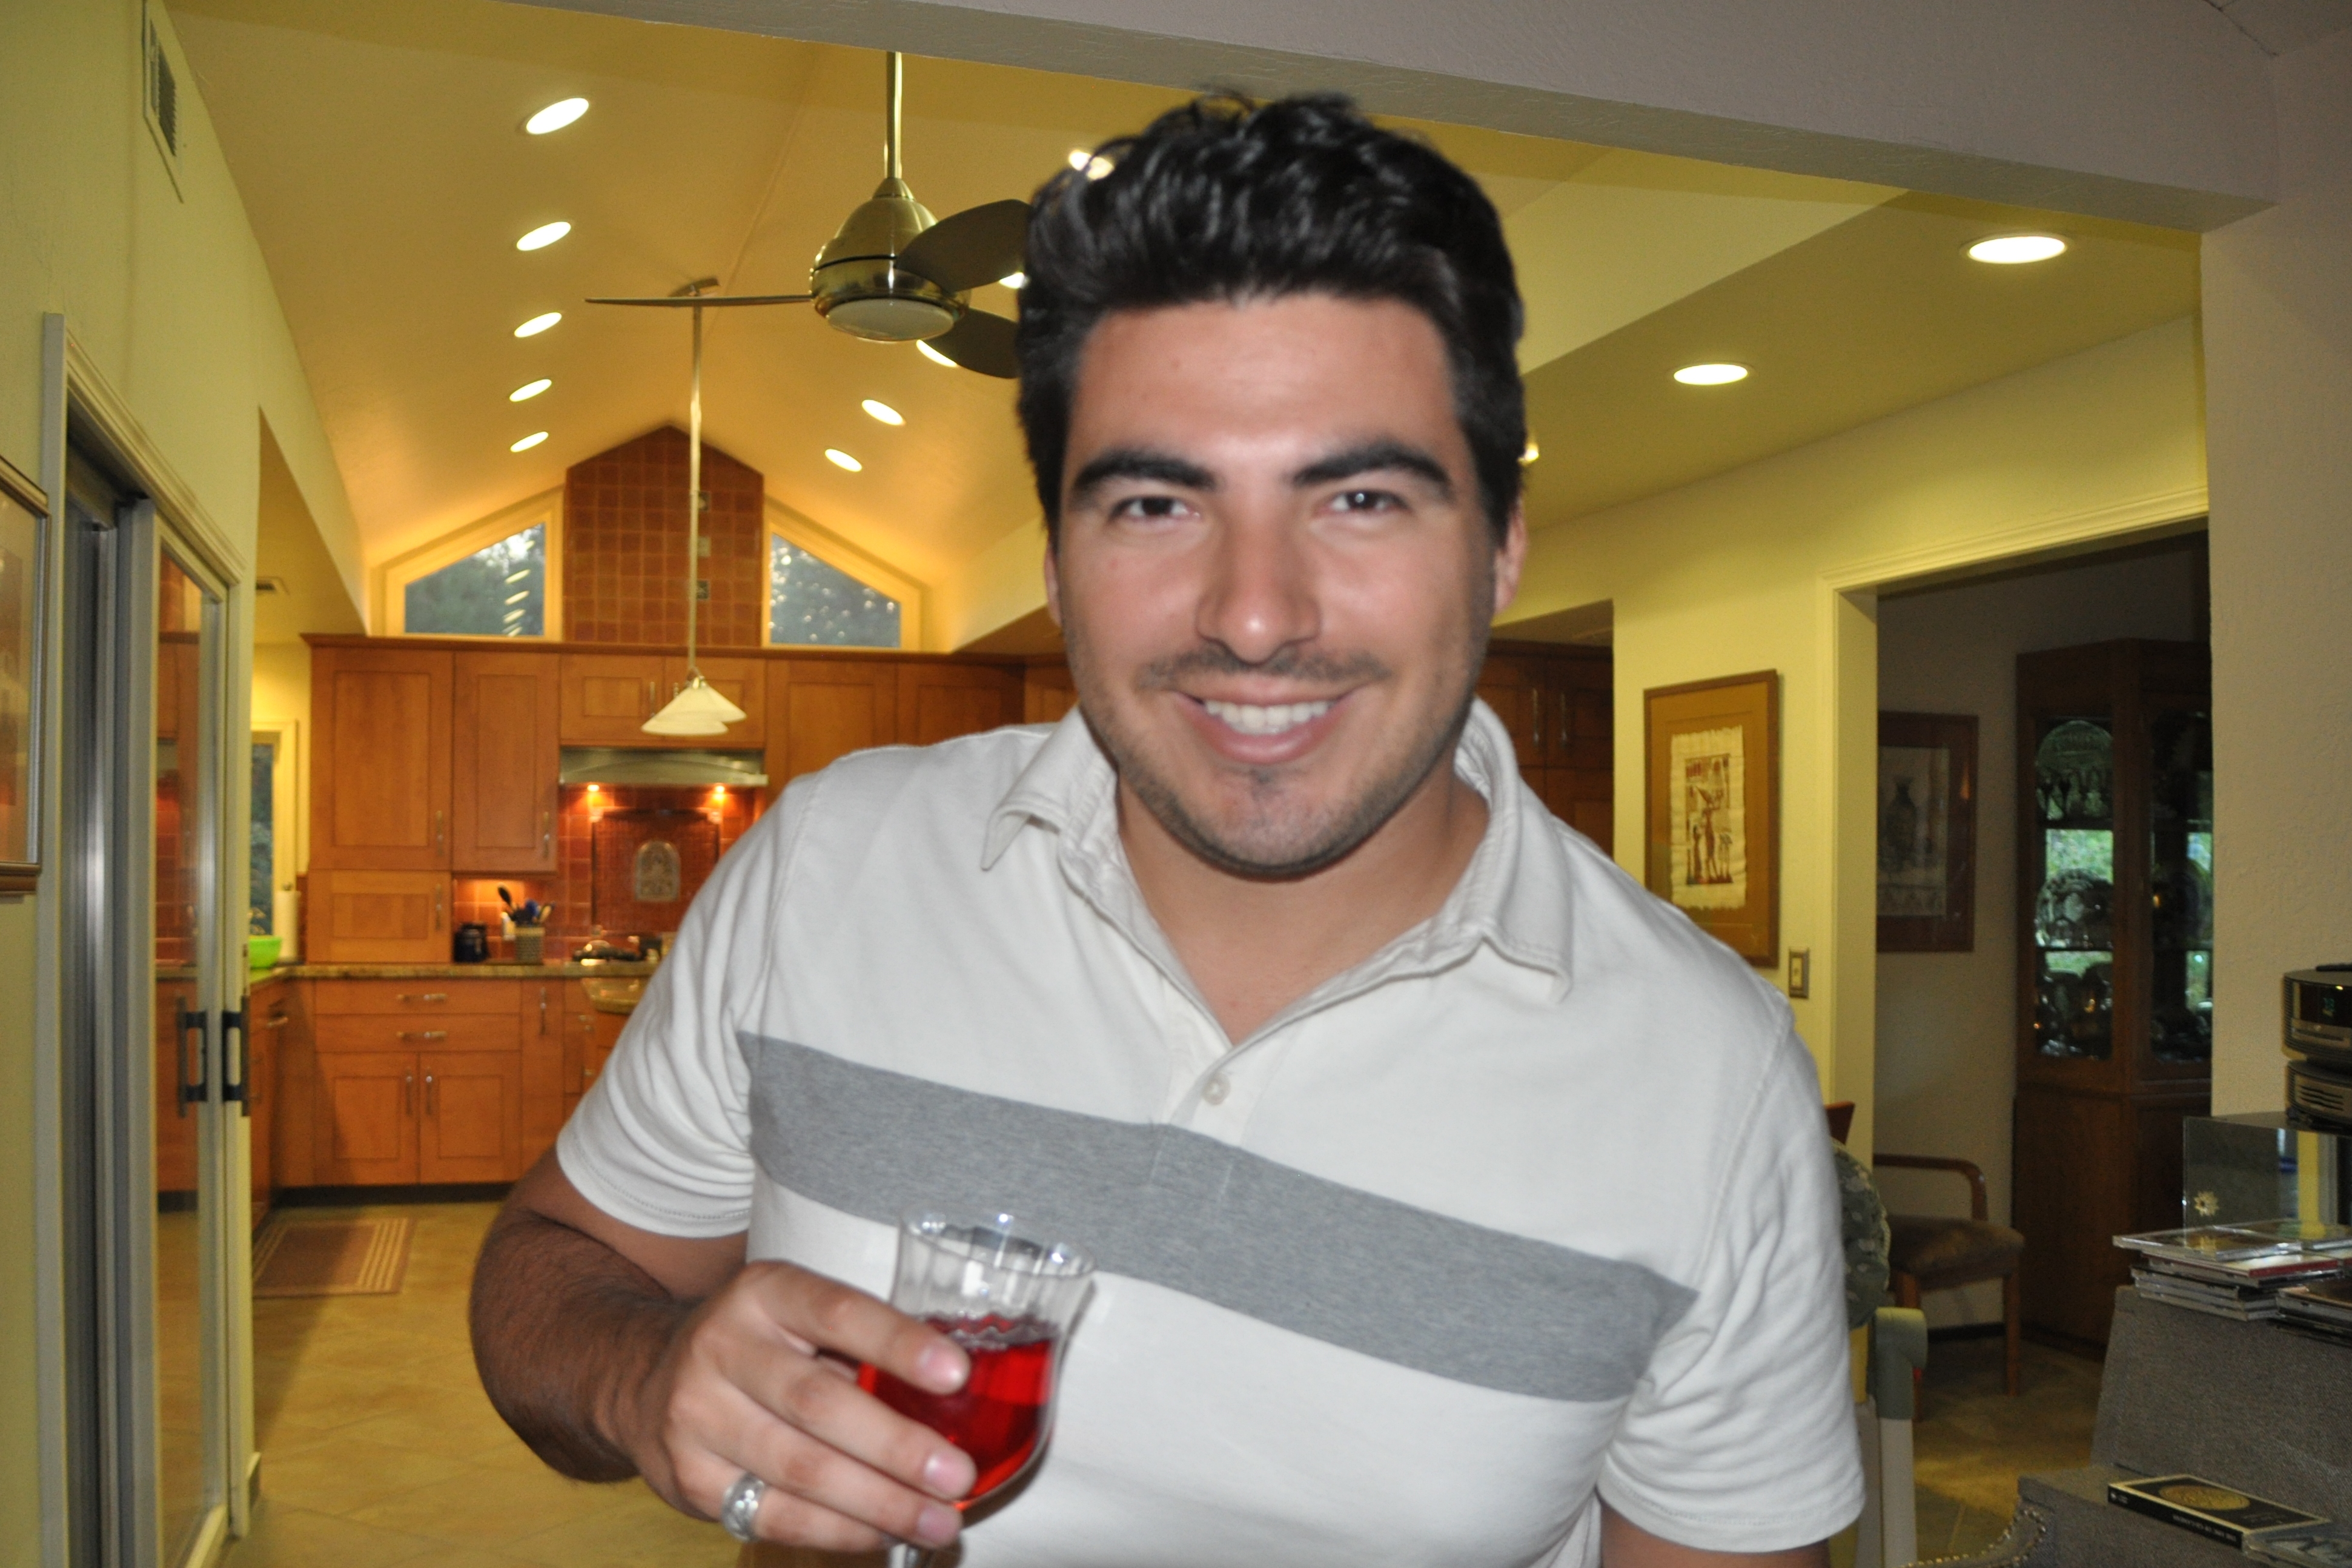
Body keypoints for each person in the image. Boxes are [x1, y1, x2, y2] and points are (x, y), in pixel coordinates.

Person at [469, 93, 1861, 1567]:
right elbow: (551, 1264)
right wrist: (643, 1374)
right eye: (1152, 503)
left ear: (1502, 543)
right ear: (1057, 560)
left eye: (1360, 495)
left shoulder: (1707, 1076)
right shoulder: (828, 867)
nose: (1254, 614)